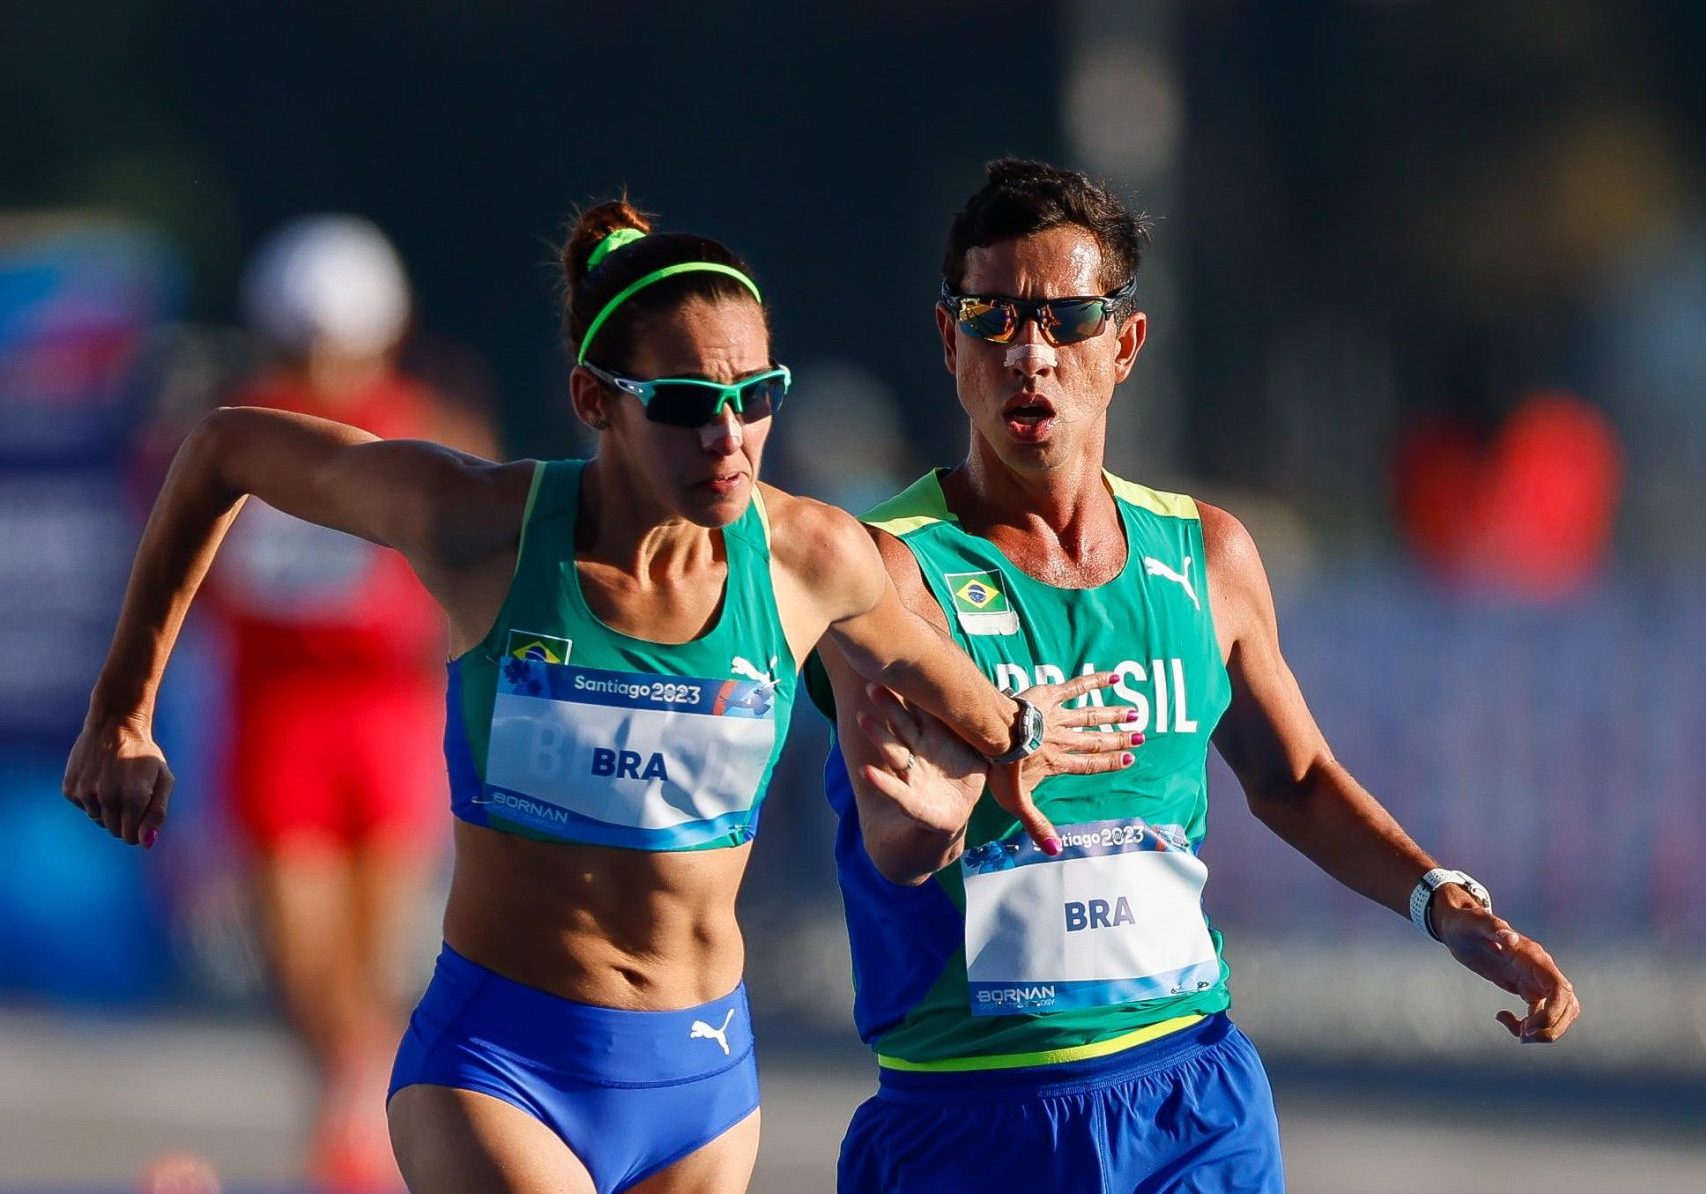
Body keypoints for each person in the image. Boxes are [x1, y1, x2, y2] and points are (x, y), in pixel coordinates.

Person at [62, 198, 1135, 1194]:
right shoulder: (481, 525)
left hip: (702, 1083)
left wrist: (1016, 735)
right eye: (684, 406)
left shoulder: (808, 556)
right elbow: (220, 450)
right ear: (593, 400)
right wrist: (123, 711)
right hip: (497, 1066)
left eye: (755, 399)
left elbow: (943, 682)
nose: (728, 440)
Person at [812, 159, 1582, 1193]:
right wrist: (967, 781)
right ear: (947, 341)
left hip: (1188, 1096)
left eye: (1065, 319)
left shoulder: (1205, 555)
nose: (1027, 353)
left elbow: (1292, 779)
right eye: (990, 320)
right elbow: (895, 843)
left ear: (1122, 345)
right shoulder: (889, 570)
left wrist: (1445, 904)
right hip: (973, 1111)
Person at [202, 214, 495, 1193]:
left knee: (373, 962)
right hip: (278, 717)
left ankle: (356, 1128)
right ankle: (348, 1105)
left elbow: (485, 571)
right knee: (298, 959)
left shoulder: (429, 429)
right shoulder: (236, 430)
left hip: (387, 719)